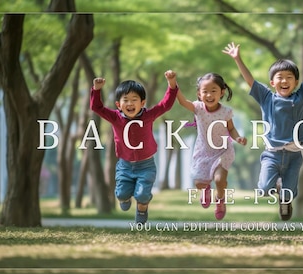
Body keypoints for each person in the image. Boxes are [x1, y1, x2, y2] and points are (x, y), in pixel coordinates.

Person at [223, 40, 303, 221]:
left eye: (289, 77)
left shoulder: (301, 95)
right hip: (272, 154)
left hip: (294, 155)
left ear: (295, 82)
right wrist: (237, 59)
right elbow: (250, 80)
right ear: (272, 82)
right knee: (263, 189)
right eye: (280, 77)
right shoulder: (266, 98)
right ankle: (276, 185)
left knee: (289, 194)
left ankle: (285, 201)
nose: (284, 80)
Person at [90, 70, 179, 224]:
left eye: (134, 99)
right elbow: (97, 108)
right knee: (121, 194)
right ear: (118, 104)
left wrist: (171, 84)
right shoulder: (115, 117)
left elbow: (165, 104)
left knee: (142, 195)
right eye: (126, 100)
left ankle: (142, 208)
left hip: (146, 165)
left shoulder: (148, 115)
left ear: (142, 103)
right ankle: (124, 198)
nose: (130, 103)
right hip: (124, 165)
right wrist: (96, 90)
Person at [175, 73, 247, 220]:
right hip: (204, 152)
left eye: (213, 90)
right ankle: (206, 189)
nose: (209, 94)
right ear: (199, 94)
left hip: (223, 151)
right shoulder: (198, 108)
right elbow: (182, 101)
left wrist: (237, 137)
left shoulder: (225, 112)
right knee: (199, 184)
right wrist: (172, 82)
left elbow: (231, 129)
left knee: (220, 179)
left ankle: (220, 200)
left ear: (222, 92)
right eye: (205, 91)